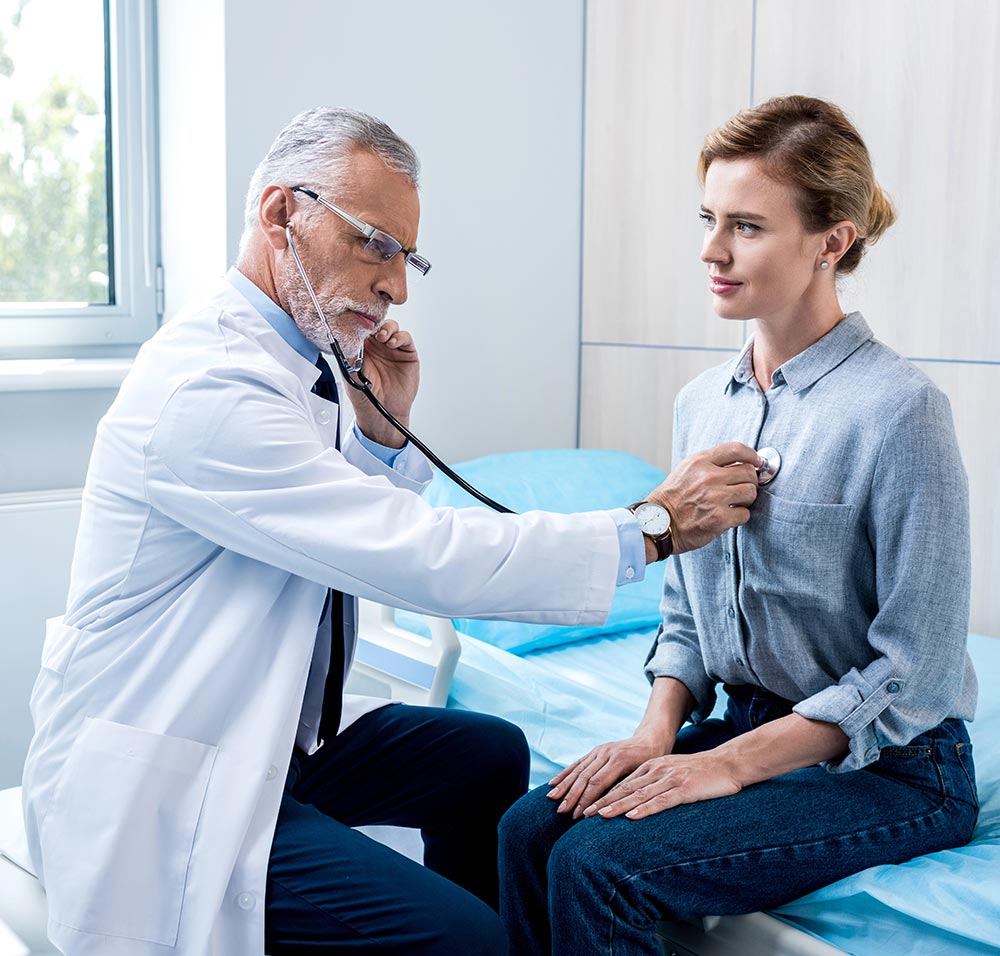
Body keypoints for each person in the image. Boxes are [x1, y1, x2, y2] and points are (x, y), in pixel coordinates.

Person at [20, 107, 762, 956]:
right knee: (466, 940)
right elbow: (415, 554)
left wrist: (381, 433)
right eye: (375, 243)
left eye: (407, 255)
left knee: (487, 754)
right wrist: (649, 529)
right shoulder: (210, 387)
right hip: (169, 784)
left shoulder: (299, 365)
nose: (398, 286)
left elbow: (319, 531)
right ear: (281, 214)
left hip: (259, 738)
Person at [498, 95, 980, 956]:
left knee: (600, 866)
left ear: (831, 241)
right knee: (528, 831)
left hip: (895, 770)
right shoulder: (701, 406)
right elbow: (686, 614)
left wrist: (720, 765)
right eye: (709, 219)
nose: (711, 251)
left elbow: (918, 672)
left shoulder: (899, 411)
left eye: (746, 226)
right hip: (751, 724)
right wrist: (656, 733)